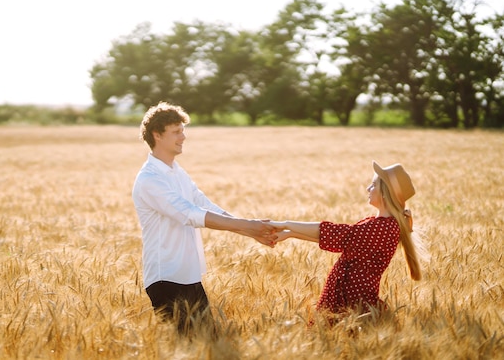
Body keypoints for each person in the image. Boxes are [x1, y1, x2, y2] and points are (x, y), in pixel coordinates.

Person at [132, 102, 278, 335]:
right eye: (176, 132)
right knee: (188, 347)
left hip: (189, 276)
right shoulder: (150, 180)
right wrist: (248, 226)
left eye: (183, 130)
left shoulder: (177, 172)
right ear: (157, 135)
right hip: (166, 279)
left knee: (207, 343)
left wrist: (251, 230)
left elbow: (206, 206)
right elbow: (190, 214)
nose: (184, 136)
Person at [269, 161, 423, 320]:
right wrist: (290, 233)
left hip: (352, 305)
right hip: (343, 299)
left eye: (373, 185)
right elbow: (339, 240)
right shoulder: (378, 224)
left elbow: (339, 235)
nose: (368, 189)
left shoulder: (383, 228)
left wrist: (287, 224)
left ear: (385, 192)